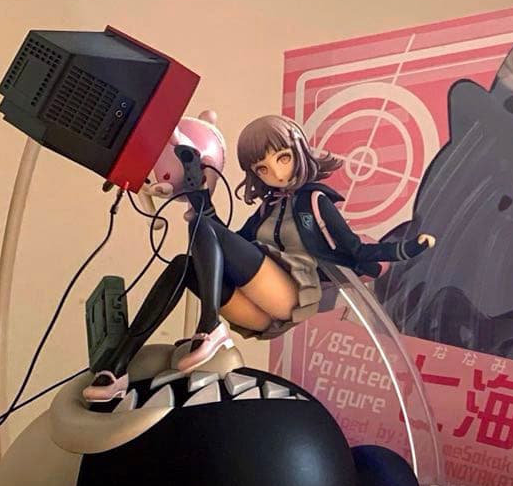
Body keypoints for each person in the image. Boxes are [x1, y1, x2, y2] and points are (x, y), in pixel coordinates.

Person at [84, 114, 435, 402]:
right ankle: (118, 366)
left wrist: (405, 249)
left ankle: (210, 325)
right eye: (263, 168)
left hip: (290, 292)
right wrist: (199, 194)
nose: (276, 173)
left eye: (282, 158)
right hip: (256, 310)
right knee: (182, 264)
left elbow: (355, 249)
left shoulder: (315, 201)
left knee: (203, 228)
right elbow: (226, 242)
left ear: (298, 151)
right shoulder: (268, 208)